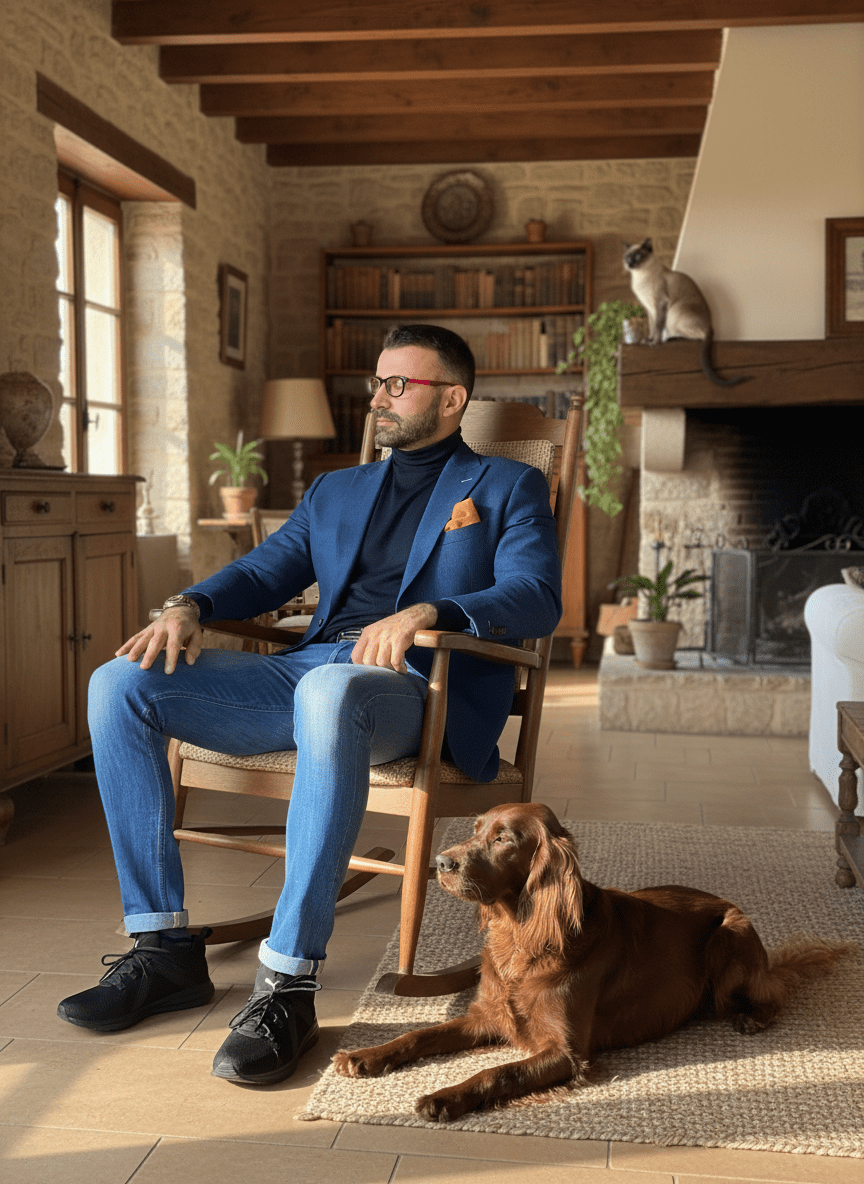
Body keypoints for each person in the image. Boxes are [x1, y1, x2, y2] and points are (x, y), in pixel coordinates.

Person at [57, 324, 563, 1085]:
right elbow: (263, 571)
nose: (380, 397)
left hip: (418, 688)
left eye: (400, 384)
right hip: (307, 672)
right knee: (119, 682)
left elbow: (536, 595)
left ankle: (288, 984)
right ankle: (162, 949)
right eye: (378, 382)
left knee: (330, 688)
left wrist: (433, 611)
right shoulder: (337, 490)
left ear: (452, 399)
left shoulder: (504, 486)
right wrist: (188, 605)